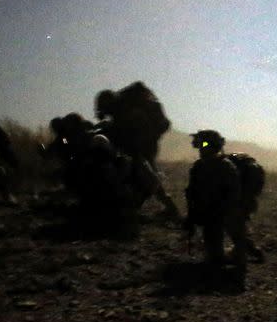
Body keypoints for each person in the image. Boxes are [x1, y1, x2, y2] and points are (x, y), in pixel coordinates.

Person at [94, 82, 178, 217]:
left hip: (144, 144)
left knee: (148, 174)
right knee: (146, 174)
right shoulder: (123, 109)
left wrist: (135, 150)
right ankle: (166, 207)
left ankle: (170, 209)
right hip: (143, 143)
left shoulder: (126, 112)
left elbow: (133, 133)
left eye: (104, 108)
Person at [183, 130, 249, 278]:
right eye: (199, 144)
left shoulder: (226, 167)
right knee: (214, 257)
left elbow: (233, 196)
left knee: (237, 241)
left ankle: (241, 253)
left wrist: (222, 212)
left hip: (225, 213)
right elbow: (192, 193)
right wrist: (192, 215)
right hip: (211, 215)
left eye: (204, 144)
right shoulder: (198, 167)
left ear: (214, 146)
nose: (201, 148)